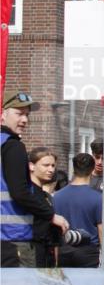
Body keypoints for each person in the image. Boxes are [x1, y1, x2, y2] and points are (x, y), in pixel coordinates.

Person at [1, 92, 68, 267]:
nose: (24, 120)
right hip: (14, 238)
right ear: (3, 114)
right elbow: (20, 192)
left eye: (27, 115)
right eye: (19, 113)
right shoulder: (13, 147)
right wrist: (51, 215)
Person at [53, 153, 103, 267]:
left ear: (74, 169)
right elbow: (102, 231)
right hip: (88, 252)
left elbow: (54, 230)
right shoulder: (98, 197)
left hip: (63, 250)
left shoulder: (57, 196)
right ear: (92, 170)